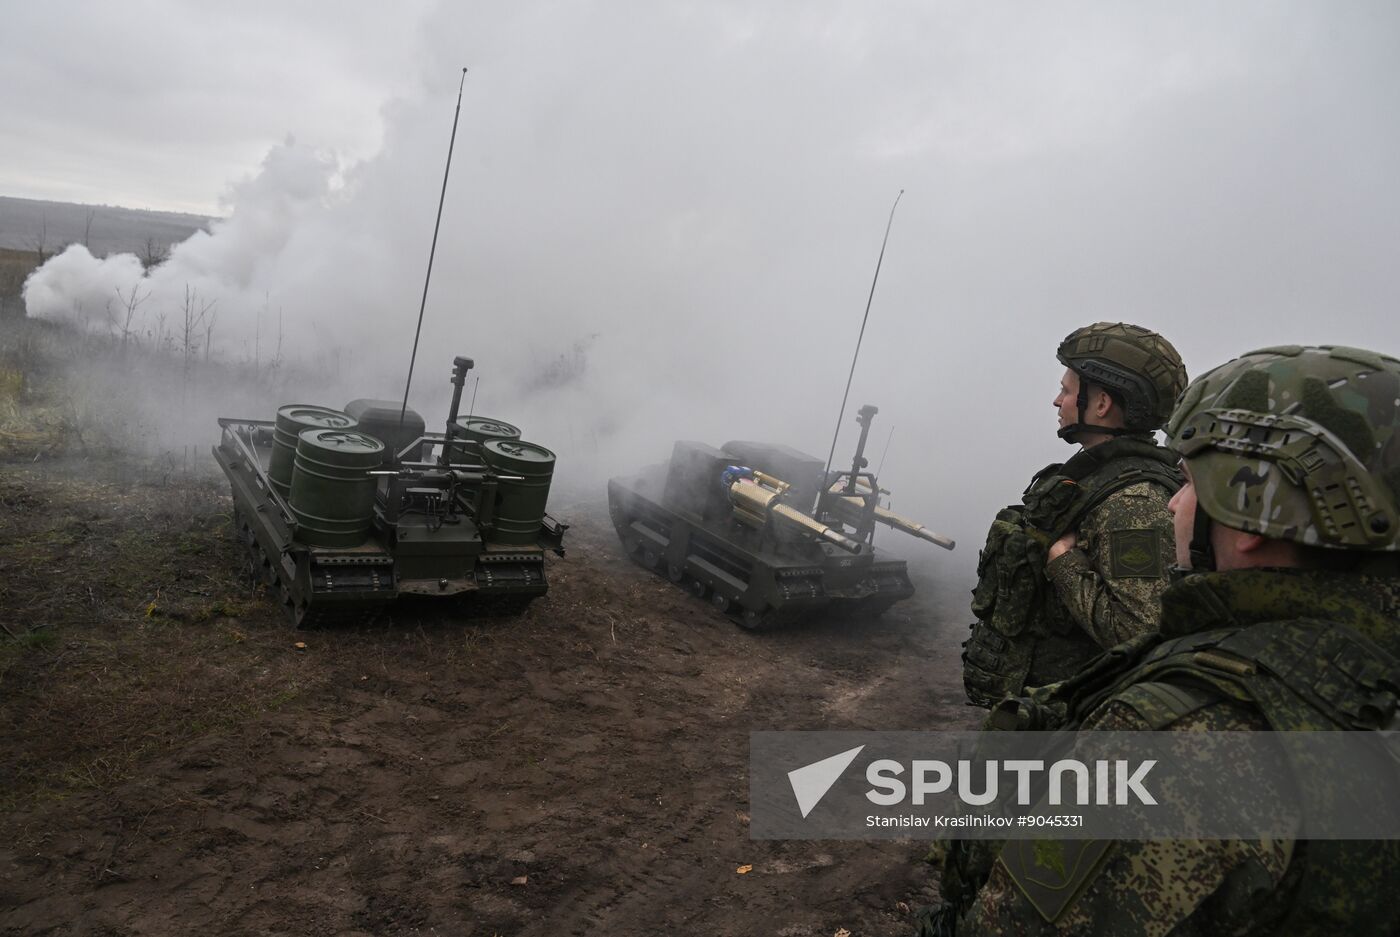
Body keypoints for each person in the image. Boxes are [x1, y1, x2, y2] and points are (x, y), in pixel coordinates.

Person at [939, 344, 1400, 934]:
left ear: (1251, 509)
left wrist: (1062, 561)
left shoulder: (1189, 735)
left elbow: (1134, 623)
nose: (1174, 505)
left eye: (1188, 483)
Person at [963, 322, 1188, 707]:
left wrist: (1063, 563)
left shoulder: (1133, 503)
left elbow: (1140, 632)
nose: (1057, 401)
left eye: (1066, 391)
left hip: (1074, 731)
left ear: (1101, 404)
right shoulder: (1093, 477)